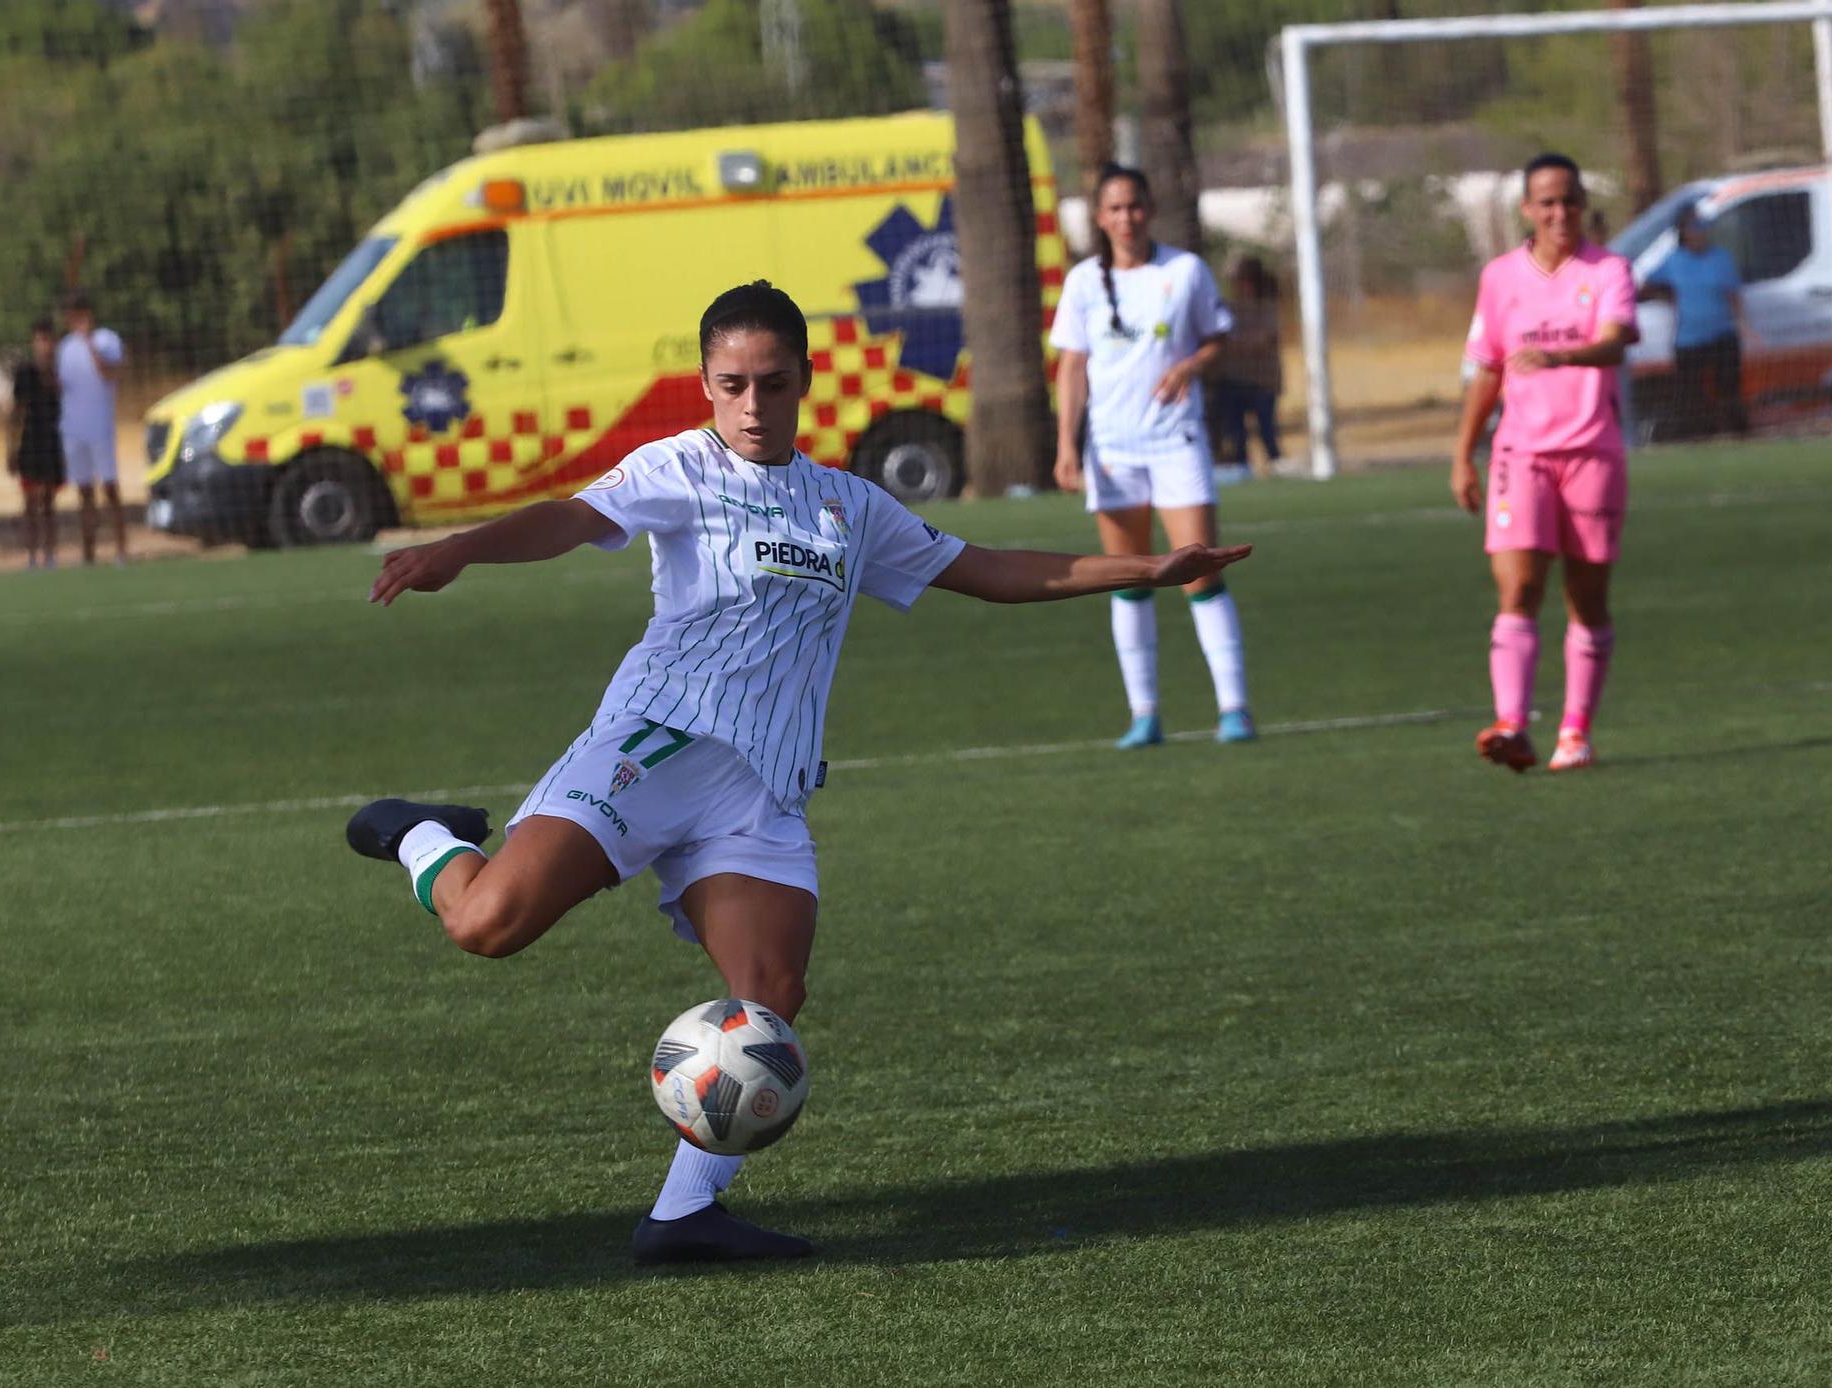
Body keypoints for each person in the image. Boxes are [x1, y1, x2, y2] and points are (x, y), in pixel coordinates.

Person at [345, 281, 1250, 1265]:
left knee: (769, 990)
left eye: (769, 384)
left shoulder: (848, 506)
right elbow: (568, 518)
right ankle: (419, 832)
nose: (749, 404)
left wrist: (1145, 570)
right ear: (704, 383)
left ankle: (682, 1213)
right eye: (729, 383)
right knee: (485, 924)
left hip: (759, 789)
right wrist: (460, 550)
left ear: (803, 383)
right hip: (650, 748)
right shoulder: (679, 468)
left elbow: (987, 568)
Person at [1049, 164, 1256, 750]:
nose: (1126, 218)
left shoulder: (1184, 271)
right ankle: (1145, 714)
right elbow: (1072, 366)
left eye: (1134, 206)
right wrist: (1067, 444)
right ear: (1099, 217)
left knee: (1201, 569)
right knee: (1128, 576)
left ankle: (1234, 709)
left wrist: (1190, 365)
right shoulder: (1085, 281)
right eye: (1113, 208)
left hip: (1176, 441)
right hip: (1113, 449)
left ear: (1150, 209)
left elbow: (1218, 337)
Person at [1452, 152, 1639, 774]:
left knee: (1587, 599)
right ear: (1528, 210)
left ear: (1584, 203)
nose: (1561, 212)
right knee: (1520, 588)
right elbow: (1488, 370)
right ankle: (1512, 724)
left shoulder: (1608, 269)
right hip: (1519, 452)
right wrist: (1462, 455)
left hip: (1591, 451)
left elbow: (1616, 341)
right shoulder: (1501, 277)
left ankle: (1576, 732)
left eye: (1570, 200)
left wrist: (1559, 361)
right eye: (1547, 202)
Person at [1639, 208, 1751, 439]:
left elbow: (1733, 294)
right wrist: (1667, 297)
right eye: (1694, 228)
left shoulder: (1720, 257)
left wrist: (1743, 324)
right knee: (1689, 391)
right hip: (1689, 338)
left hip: (1722, 335)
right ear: (1683, 232)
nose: (1701, 233)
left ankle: (1736, 433)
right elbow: (1645, 286)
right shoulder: (1673, 260)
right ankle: (1698, 433)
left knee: (1729, 388)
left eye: (1703, 227)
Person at [56, 289, 128, 566]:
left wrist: (89, 343)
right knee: (84, 491)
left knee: (109, 487)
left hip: (100, 427)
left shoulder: (107, 340)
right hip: (74, 429)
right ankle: (89, 553)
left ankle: (121, 550)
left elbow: (110, 372)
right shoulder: (65, 348)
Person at [1215, 255, 1284, 474]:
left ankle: (1275, 463)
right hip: (1233, 379)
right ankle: (1242, 467)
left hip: (1262, 381)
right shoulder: (1228, 308)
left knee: (1267, 429)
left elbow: (1265, 339)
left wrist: (1233, 344)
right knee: (1235, 431)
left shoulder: (1266, 307)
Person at [7, 318, 65, 569]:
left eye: (49, 339)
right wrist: (10, 447)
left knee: (50, 502)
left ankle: (50, 554)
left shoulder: (62, 371)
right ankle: (31, 555)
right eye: (40, 339)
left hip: (54, 440)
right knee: (30, 501)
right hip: (31, 441)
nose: (45, 345)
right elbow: (16, 411)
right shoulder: (25, 372)